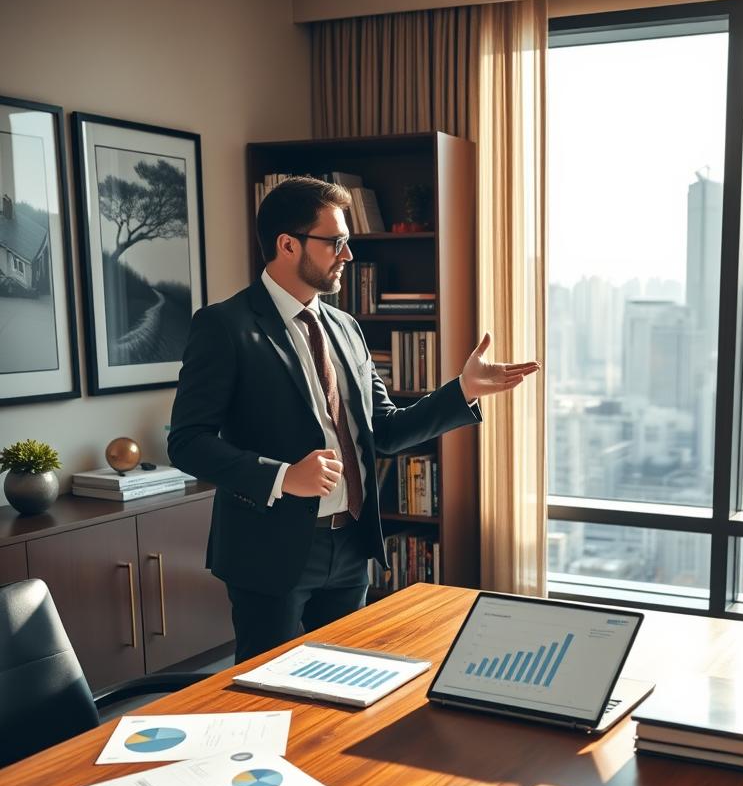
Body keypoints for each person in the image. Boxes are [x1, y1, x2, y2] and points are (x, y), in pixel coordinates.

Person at [169, 176, 539, 662]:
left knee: (344, 687)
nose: (347, 256)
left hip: (350, 548)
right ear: (287, 244)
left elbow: (384, 430)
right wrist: (282, 477)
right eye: (336, 242)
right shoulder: (225, 326)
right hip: (269, 552)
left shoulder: (346, 327)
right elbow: (187, 441)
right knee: (268, 698)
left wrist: (463, 390)